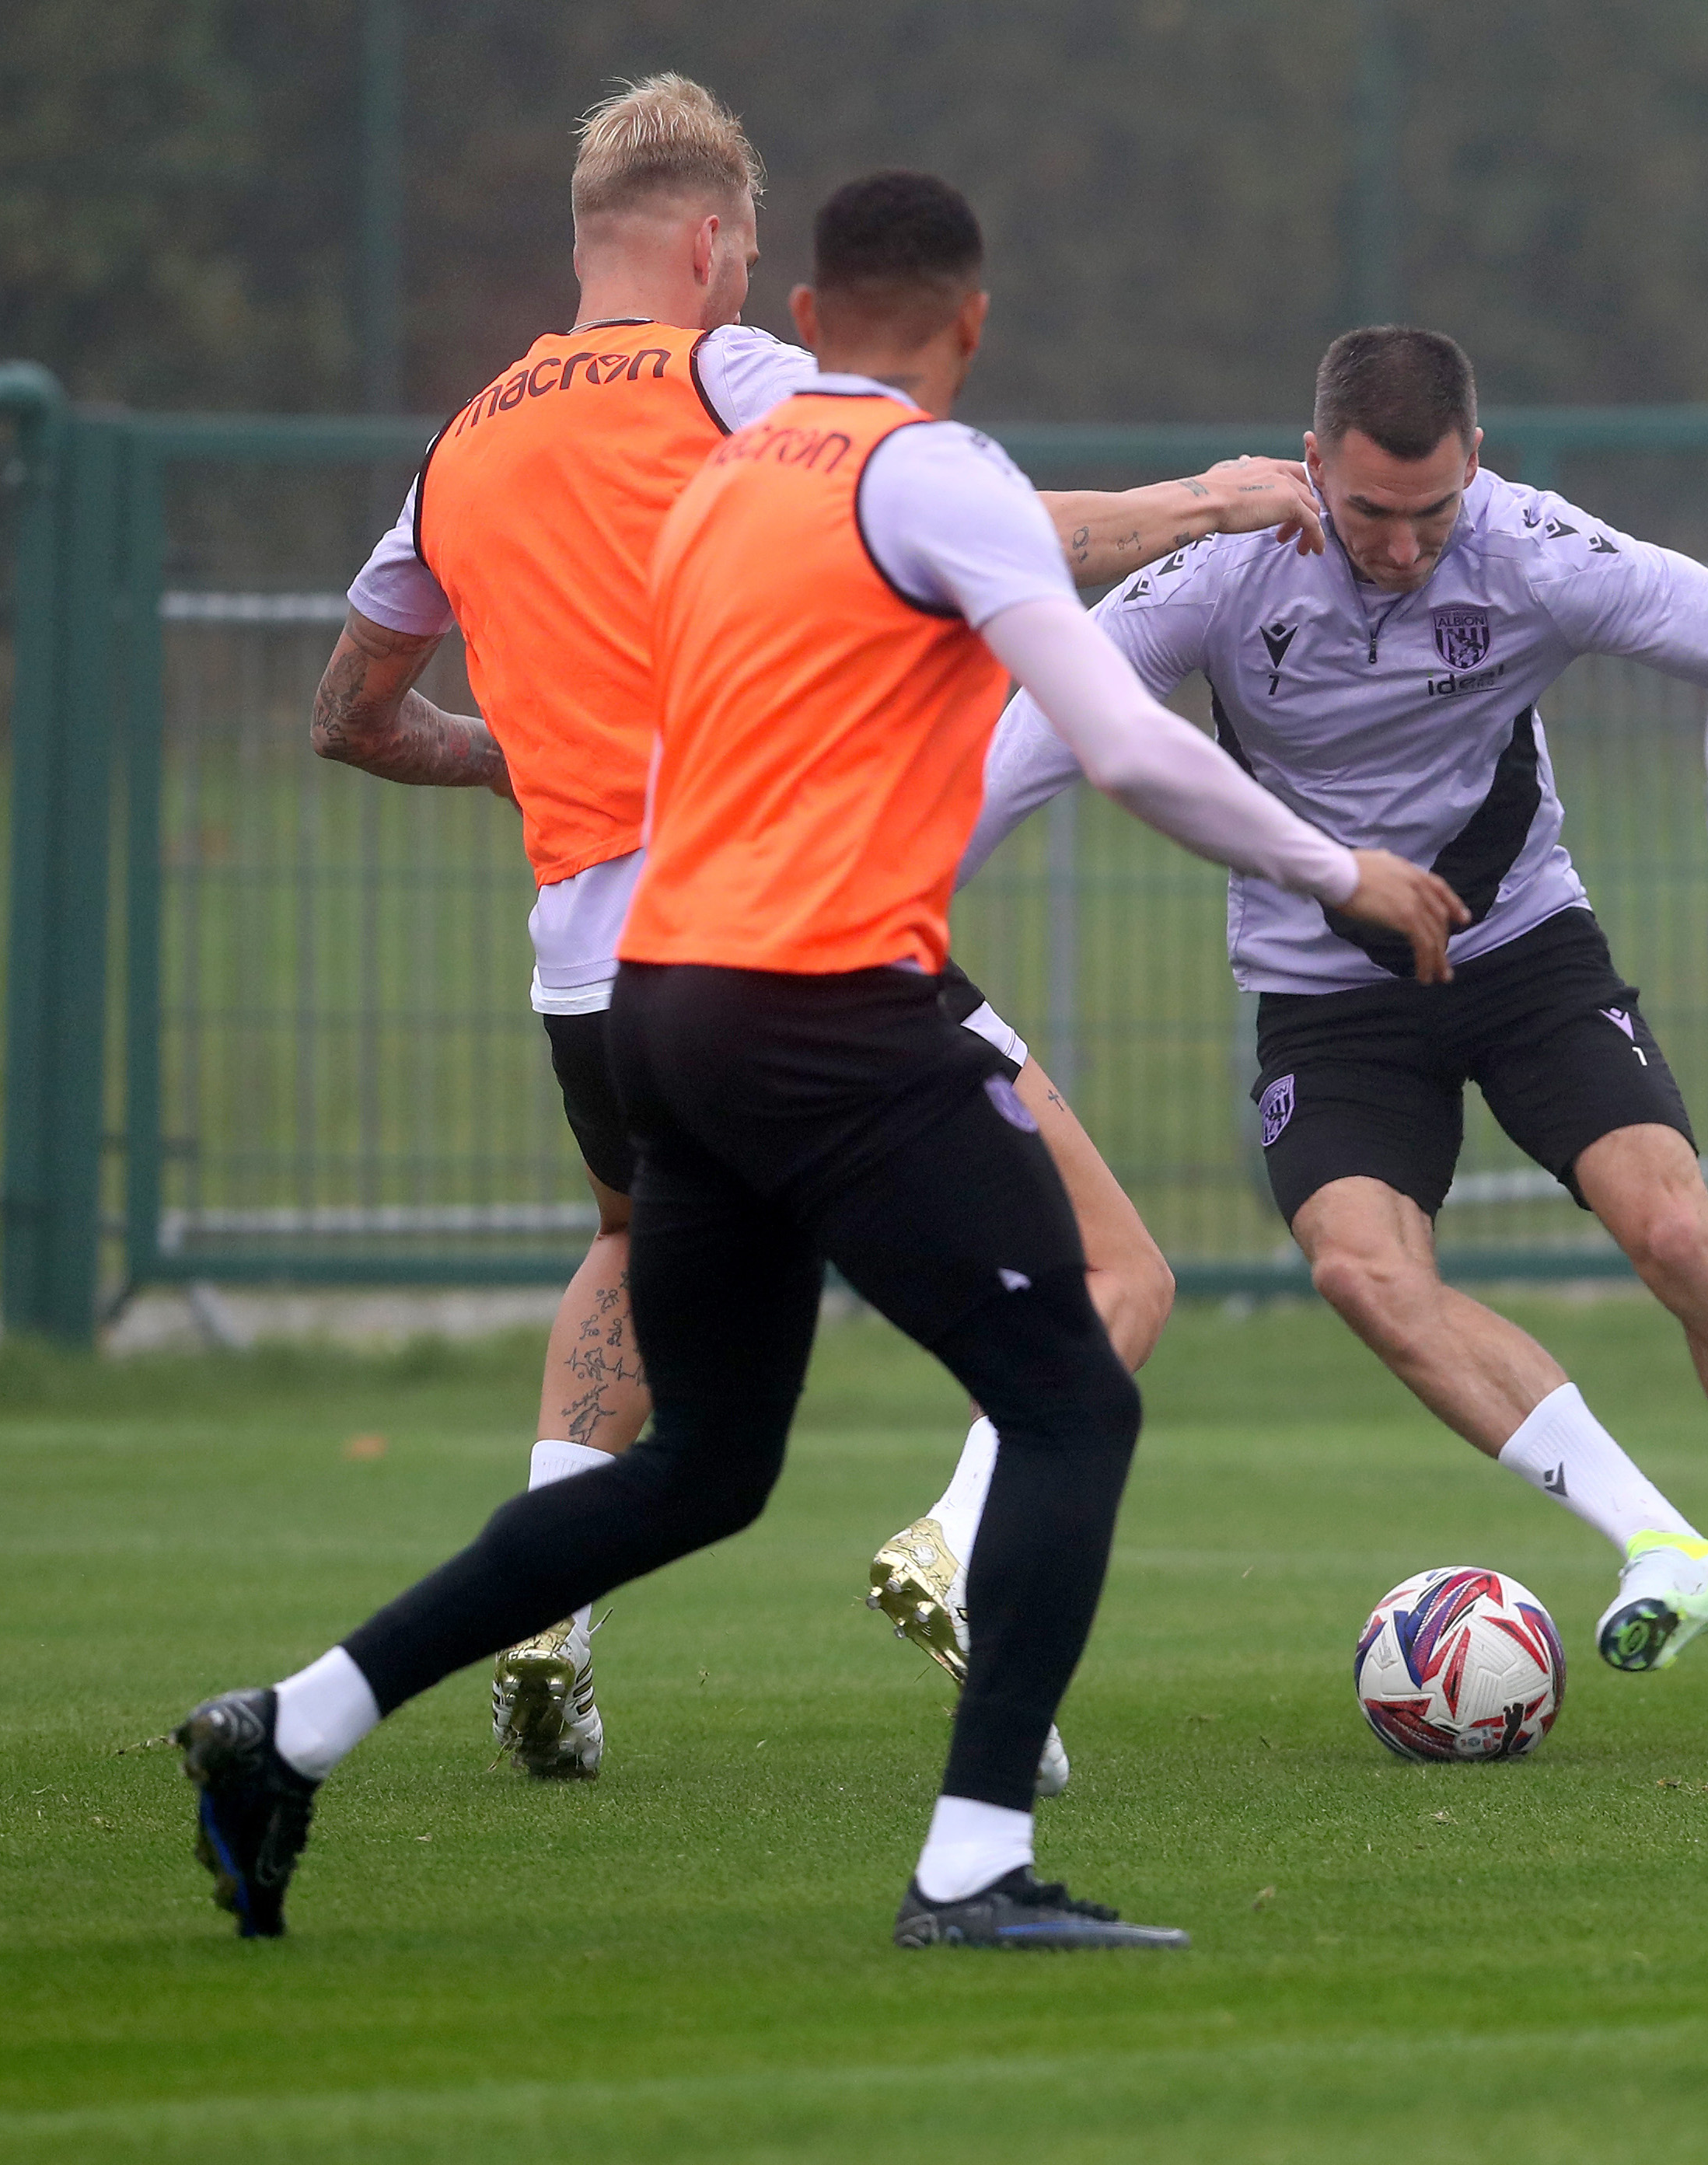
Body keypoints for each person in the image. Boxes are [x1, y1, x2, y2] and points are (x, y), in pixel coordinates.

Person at [174, 167, 1465, 1949]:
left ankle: (288, 1727)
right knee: (1074, 1388)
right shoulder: (932, 476)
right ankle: (971, 1870)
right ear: (972, 323)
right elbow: (1120, 741)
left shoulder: (718, 494)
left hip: (665, 1010)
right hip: (827, 1008)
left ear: (801, 319)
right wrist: (1345, 870)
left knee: (704, 1467)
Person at [313, 73, 1316, 1785]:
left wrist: (533, 768)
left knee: (639, 1256)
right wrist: (1209, 503)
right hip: (782, 937)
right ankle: (965, 1630)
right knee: (1111, 1280)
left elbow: (350, 712)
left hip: (590, 975)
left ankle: (543, 1609)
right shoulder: (738, 377)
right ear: (713, 244)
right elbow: (970, 521)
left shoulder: (460, 441)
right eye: (747, 248)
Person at [960, 326, 1708, 1698]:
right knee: (1364, 1271)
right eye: (1369, 512)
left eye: (1432, 512)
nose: (1400, 546)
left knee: (1674, 1226)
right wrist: (883, 904)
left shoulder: (1536, 547)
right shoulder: (1216, 574)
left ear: (1477, 467)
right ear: (1311, 464)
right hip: (1326, 996)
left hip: (1522, 953)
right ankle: (1665, 1543)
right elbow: (1033, 742)